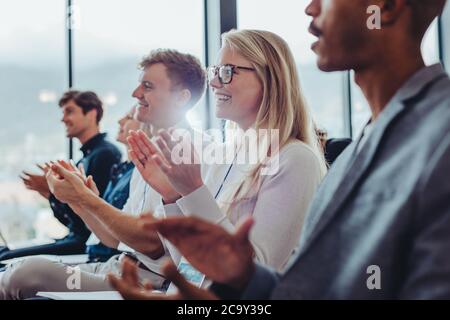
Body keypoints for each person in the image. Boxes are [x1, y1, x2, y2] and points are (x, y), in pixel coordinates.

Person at [110, 0, 450, 300]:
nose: (310, 7)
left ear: (386, 6)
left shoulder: (437, 135)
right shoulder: (365, 144)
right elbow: (304, 287)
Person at [0, 49, 207, 300]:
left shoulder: (190, 155)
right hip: (118, 265)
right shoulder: (146, 153)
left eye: (147, 86)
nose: (135, 94)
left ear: (181, 98)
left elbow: (152, 244)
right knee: (15, 270)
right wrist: (79, 199)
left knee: (22, 274)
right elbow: (112, 239)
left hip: (145, 281)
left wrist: (87, 200)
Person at [127, 29, 327, 272]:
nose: (212, 82)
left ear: (269, 78)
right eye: (215, 71)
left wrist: (193, 190)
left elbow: (255, 271)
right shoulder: (225, 156)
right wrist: (173, 196)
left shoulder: (295, 159)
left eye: (227, 72)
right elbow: (188, 264)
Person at [0, 91, 121, 261]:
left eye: (69, 111)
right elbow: (73, 222)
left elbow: (87, 223)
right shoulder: (88, 157)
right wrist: (51, 195)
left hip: (86, 244)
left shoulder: (105, 155)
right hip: (78, 240)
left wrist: (52, 193)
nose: (63, 119)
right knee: (3, 252)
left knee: (4, 257)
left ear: (92, 113)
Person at [85, 106, 140, 262]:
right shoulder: (121, 170)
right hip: (97, 255)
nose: (120, 120)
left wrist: (84, 199)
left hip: (111, 260)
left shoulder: (140, 174)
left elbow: (119, 238)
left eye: (129, 117)